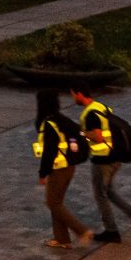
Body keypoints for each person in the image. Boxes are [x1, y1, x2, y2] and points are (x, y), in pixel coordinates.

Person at [70, 88, 131, 243]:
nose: (73, 98)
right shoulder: (101, 107)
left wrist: (80, 133)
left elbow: (98, 137)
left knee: (100, 194)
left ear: (79, 93)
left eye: (73, 94)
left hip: (103, 159)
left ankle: (111, 231)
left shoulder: (91, 114)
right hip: (116, 156)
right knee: (110, 192)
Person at [34, 88, 95, 250]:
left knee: (52, 202)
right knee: (56, 202)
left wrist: (43, 173)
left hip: (59, 168)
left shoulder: (50, 124)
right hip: (69, 167)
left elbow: (49, 152)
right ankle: (62, 239)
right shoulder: (62, 120)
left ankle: (82, 231)